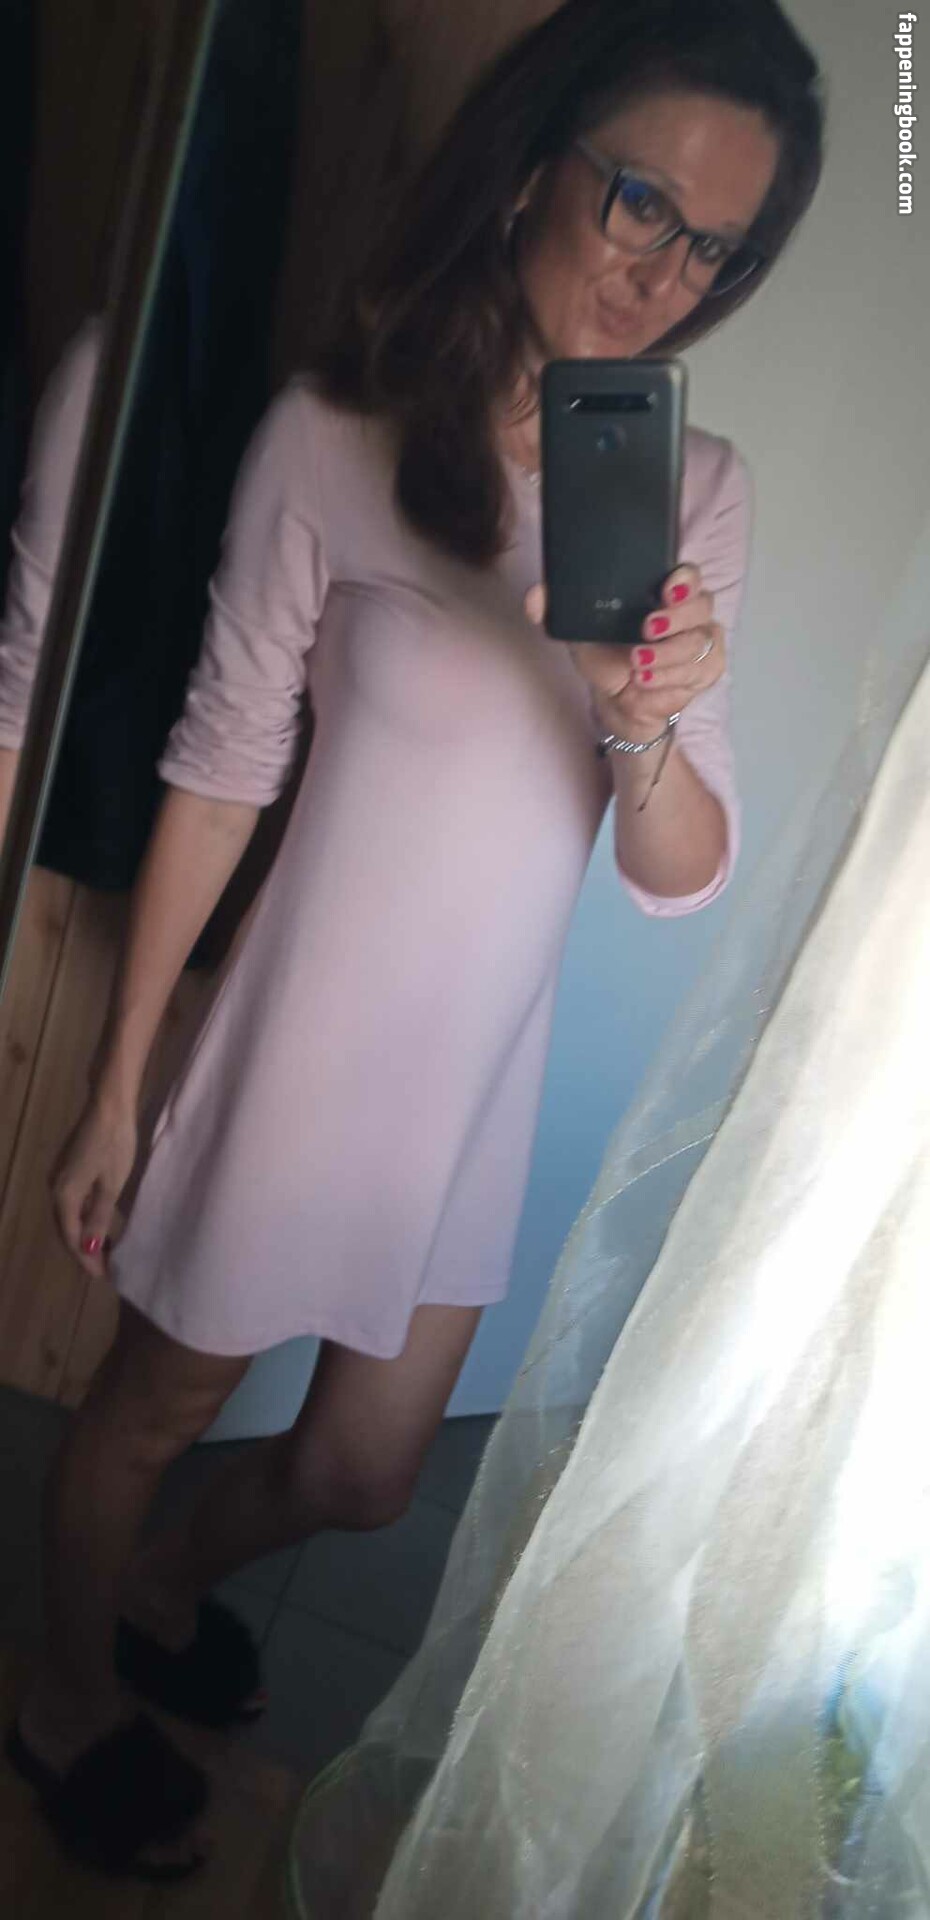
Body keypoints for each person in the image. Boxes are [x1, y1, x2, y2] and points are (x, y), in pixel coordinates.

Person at [2, 0, 824, 1881]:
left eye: (715, 248)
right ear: (533, 167)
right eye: (640, 202)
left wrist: (634, 708)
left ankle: (153, 1592)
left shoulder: (692, 493)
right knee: (148, 1409)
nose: (664, 278)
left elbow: (679, 871)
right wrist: (118, 1088)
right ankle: (63, 1689)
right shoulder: (334, 433)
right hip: (296, 1046)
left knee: (368, 1472)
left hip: (470, 1082)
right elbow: (221, 764)